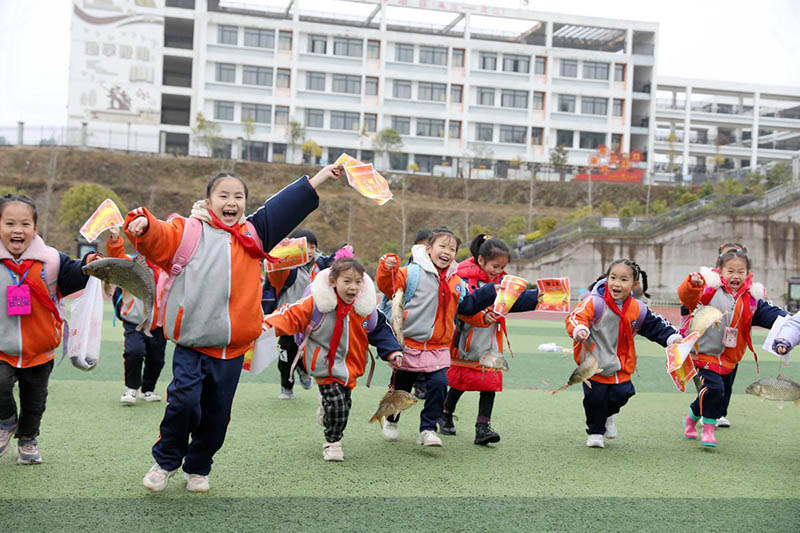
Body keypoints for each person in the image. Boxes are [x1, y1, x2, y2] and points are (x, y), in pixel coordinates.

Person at [125, 165, 342, 493]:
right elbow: (157, 233)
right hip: (192, 343)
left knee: (216, 416)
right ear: (209, 200)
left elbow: (283, 205)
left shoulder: (255, 233)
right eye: (223, 195)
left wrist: (321, 177)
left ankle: (198, 467)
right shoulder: (188, 231)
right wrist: (139, 224)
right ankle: (166, 461)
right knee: (183, 403)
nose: (231, 201)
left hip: (231, 350)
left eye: (238, 196)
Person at [264, 256, 402, 461]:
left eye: (357, 282)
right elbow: (291, 315)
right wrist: (265, 324)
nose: (353, 287)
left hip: (351, 367)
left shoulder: (365, 310)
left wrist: (393, 351)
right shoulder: (318, 304)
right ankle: (333, 441)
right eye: (347, 281)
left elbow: (381, 330)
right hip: (323, 365)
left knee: (343, 404)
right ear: (333, 281)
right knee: (338, 405)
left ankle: (327, 414)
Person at [375, 226, 497, 447]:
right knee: (401, 387)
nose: (447, 252)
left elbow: (467, 306)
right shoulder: (410, 272)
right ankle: (391, 420)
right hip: (408, 344)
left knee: (440, 385)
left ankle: (427, 429)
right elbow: (388, 286)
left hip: (438, 347)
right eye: (442, 246)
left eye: (452, 249)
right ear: (428, 248)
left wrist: (492, 292)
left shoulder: (455, 281)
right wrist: (386, 268)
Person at [0, 194, 99, 464]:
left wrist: (91, 261)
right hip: (2, 348)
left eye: (25, 224)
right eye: (9, 223)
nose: (17, 230)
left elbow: (77, 273)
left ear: (35, 229)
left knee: (35, 402)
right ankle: (6, 421)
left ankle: (28, 439)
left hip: (40, 350)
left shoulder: (51, 260)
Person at [566, 259, 681, 449]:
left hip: (620, 365)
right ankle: (595, 432)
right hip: (593, 366)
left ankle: (607, 416)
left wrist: (672, 338)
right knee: (595, 401)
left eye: (624, 279)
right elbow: (576, 317)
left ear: (634, 285)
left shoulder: (638, 309)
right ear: (606, 278)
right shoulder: (594, 303)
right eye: (612, 278)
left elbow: (656, 326)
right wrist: (579, 329)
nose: (616, 284)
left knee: (623, 394)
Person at [678, 249, 785, 447]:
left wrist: (791, 326)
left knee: (712, 392)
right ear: (720, 272)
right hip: (703, 353)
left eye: (741, 272)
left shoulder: (751, 299)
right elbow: (688, 298)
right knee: (715, 389)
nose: (736, 276)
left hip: (729, 358)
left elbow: (771, 316)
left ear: (748, 274)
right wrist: (692, 284)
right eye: (730, 271)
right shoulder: (709, 289)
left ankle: (690, 420)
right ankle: (709, 430)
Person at [441, 234, 539, 445]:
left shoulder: (501, 280)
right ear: (481, 260)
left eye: (502, 267)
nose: (498, 271)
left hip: (490, 341)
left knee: (489, 382)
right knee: (460, 381)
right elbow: (463, 308)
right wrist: (483, 315)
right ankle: (446, 412)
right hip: (466, 339)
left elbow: (515, 301)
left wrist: (539, 296)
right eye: (495, 266)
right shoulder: (463, 279)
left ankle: (482, 427)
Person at [266, 229, 337, 399]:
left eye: (313, 247)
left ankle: (303, 370)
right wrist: (280, 253)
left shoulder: (320, 267)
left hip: (312, 320)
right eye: (306, 246)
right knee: (286, 354)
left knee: (308, 352)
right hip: (289, 320)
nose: (310, 251)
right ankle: (286, 386)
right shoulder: (287, 268)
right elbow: (275, 276)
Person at [684, 242, 747, 428]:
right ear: (719, 263)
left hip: (731, 348)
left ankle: (719, 413)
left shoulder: (747, 290)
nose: (733, 257)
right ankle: (705, 415)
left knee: (726, 382)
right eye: (728, 255)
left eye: (738, 253)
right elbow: (688, 301)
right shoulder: (708, 283)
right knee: (711, 385)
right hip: (707, 347)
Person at [105, 226, 167, 405]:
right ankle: (131, 388)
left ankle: (148, 389)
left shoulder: (166, 266)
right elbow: (117, 258)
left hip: (158, 323)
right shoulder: (132, 264)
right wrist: (115, 239)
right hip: (134, 320)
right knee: (134, 352)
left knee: (157, 357)